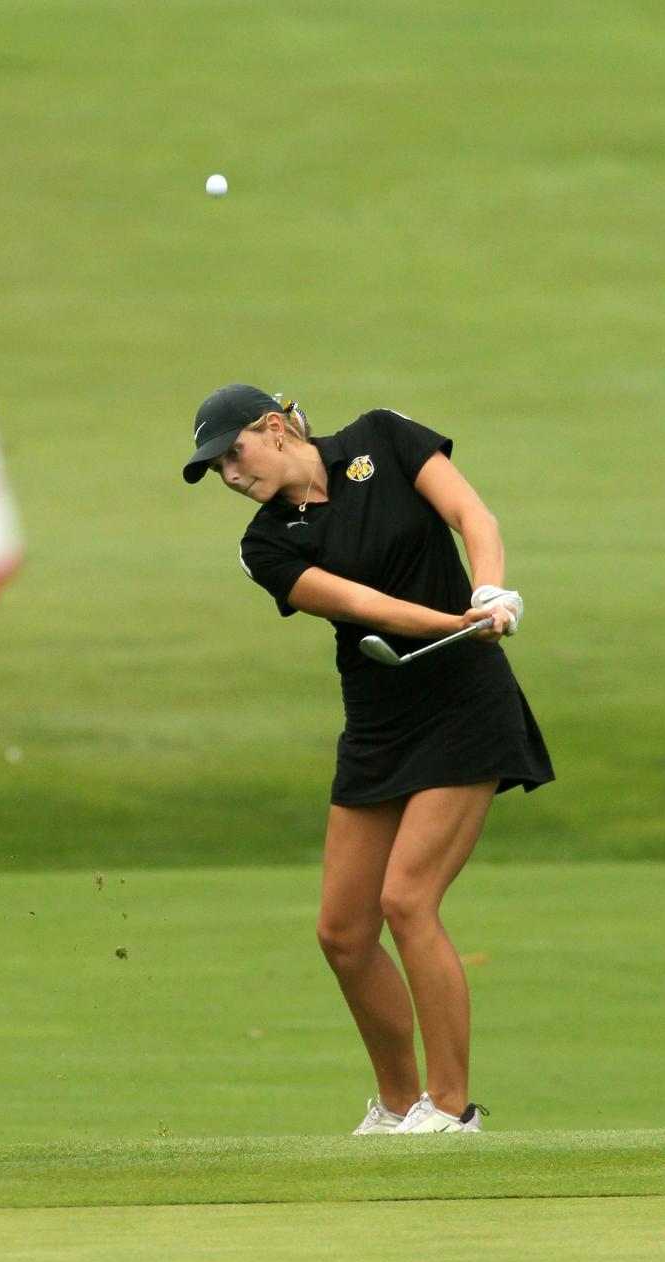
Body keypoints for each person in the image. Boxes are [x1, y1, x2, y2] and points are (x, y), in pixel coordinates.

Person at [182, 384, 554, 1134]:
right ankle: (395, 1106)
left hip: (462, 705)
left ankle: (452, 1110)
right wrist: (458, 620)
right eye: (217, 467)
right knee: (343, 931)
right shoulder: (267, 544)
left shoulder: (382, 438)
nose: (229, 474)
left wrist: (488, 587)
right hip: (380, 722)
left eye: (233, 453)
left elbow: (470, 514)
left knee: (407, 899)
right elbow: (363, 607)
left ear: (277, 427)